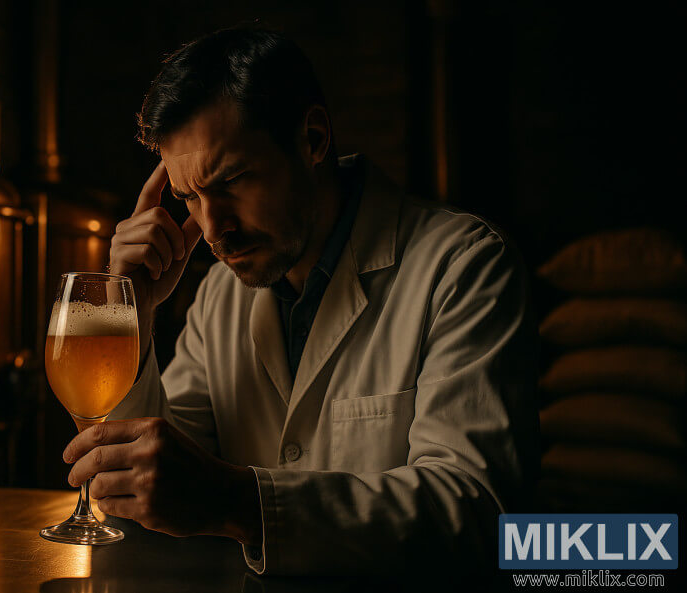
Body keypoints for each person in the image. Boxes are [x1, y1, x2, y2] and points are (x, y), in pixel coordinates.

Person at [60, 26, 541, 578]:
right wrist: (130, 313)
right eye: (190, 196)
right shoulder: (219, 294)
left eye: (233, 180)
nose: (214, 230)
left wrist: (242, 503)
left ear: (312, 139)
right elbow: (156, 490)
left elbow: (478, 511)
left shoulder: (463, 267)